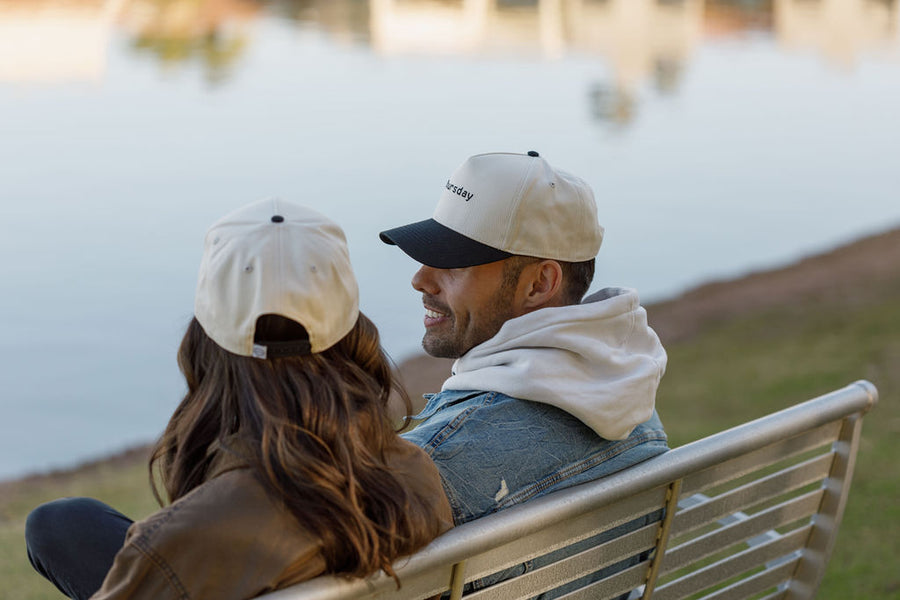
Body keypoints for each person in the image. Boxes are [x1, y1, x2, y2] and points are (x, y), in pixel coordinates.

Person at [25, 199, 453, 600]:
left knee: (57, 524)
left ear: (205, 341)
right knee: (64, 522)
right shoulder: (414, 475)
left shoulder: (186, 540)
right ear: (353, 333)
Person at [380, 151, 668, 592]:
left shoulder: (440, 460)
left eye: (453, 263)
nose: (420, 279)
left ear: (539, 284)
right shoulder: (632, 401)